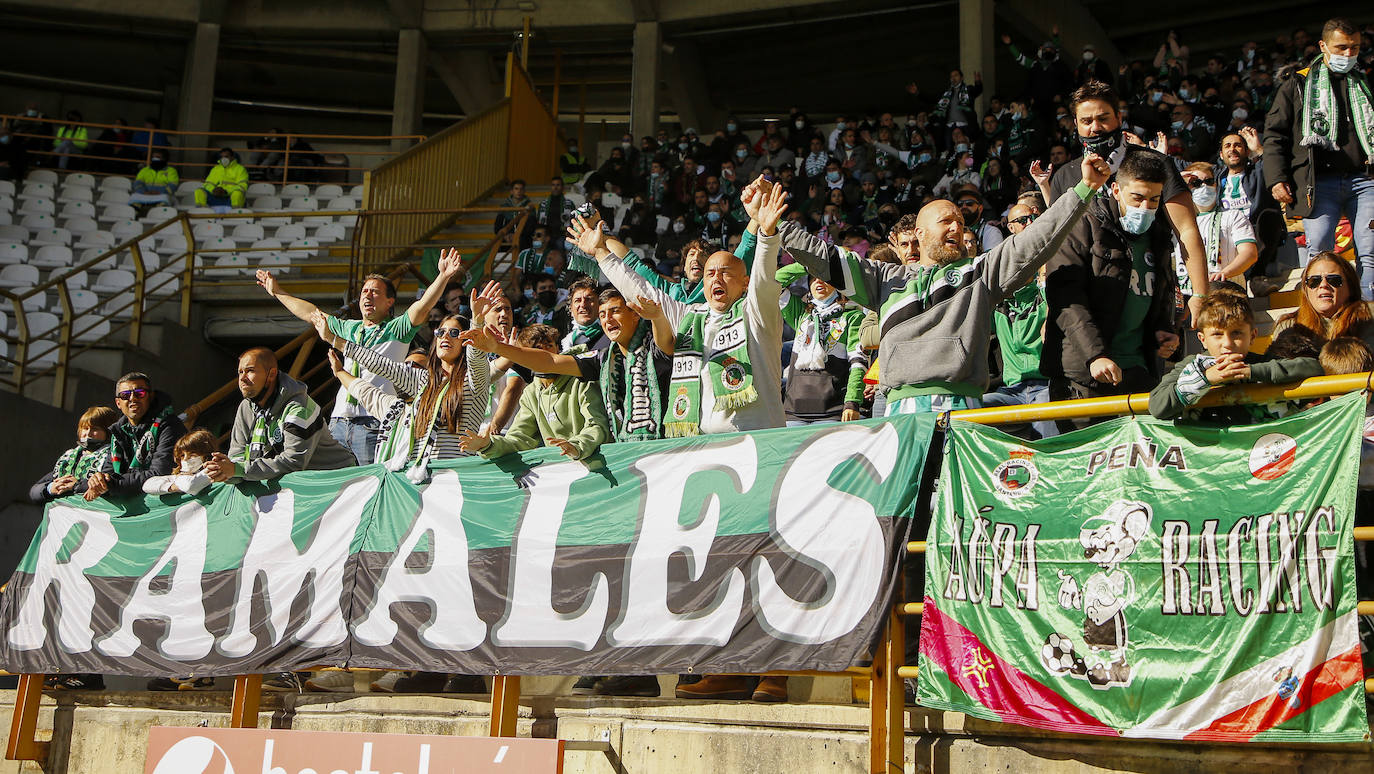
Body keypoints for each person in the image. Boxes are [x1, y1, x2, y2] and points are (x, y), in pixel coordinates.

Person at [578, 181, 793, 703]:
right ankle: (725, 667)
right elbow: (641, 298)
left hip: (760, 453)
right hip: (707, 461)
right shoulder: (691, 319)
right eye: (711, 272)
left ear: (741, 282)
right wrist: (602, 256)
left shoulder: (757, 316)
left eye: (727, 272)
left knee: (763, 562)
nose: (717, 278)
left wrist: (764, 236)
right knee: (716, 565)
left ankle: (773, 673)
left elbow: (764, 277)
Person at [779, 152, 1111, 416]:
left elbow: (1037, 239)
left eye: (961, 221)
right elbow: (825, 257)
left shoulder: (981, 272)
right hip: (897, 409)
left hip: (960, 407)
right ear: (919, 234)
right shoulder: (882, 278)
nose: (955, 226)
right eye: (946, 220)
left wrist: (1083, 189)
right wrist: (776, 225)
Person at [257, 251, 462, 465]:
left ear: (390, 302)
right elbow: (312, 313)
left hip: (374, 421)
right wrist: (278, 292)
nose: (367, 295)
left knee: (371, 486)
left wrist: (443, 276)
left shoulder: (397, 329)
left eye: (375, 292)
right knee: (340, 491)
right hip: (339, 421)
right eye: (365, 291)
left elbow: (423, 306)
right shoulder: (348, 327)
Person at [1042, 151, 1182, 430]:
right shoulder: (1082, 226)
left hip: (1140, 372)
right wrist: (1095, 355)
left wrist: (1164, 332)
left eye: (1154, 199)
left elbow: (1160, 294)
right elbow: (1067, 299)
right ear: (1116, 190)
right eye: (1138, 198)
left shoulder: (1159, 235)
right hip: (1083, 376)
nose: (1146, 207)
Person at [1047, 81, 1211, 318]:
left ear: (1119, 117)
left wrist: (1200, 295)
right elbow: (1054, 244)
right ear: (1075, 124)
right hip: (1090, 300)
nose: (1095, 127)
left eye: (1103, 118)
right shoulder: (1065, 175)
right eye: (1086, 121)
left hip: (1151, 293)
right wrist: (1051, 307)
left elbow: (1186, 229)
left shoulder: (1156, 162)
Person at [1263, 18, 1374, 298]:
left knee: (1370, 249)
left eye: (1355, 47)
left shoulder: (1366, 82)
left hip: (1365, 180)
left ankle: (1368, 313)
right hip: (1317, 183)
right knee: (1319, 251)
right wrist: (1277, 178)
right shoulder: (1298, 84)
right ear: (1323, 45)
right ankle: (1320, 314)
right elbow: (1275, 134)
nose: (1348, 54)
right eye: (1341, 47)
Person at [1148, 292, 1322, 423]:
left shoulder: (1262, 363)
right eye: (1217, 334)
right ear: (1203, 340)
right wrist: (1205, 379)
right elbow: (1157, 405)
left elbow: (1313, 368)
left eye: (1236, 333)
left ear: (1253, 336)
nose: (1228, 343)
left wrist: (1251, 372)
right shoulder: (1192, 366)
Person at [457, 324, 609, 463]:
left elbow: (597, 425)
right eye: (536, 348)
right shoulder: (531, 392)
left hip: (596, 467)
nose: (543, 353)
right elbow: (519, 438)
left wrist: (576, 447)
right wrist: (488, 445)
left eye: (549, 346)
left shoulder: (582, 380)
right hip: (561, 474)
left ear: (558, 348)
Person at [204, 347, 356, 485]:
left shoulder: (300, 408)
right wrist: (224, 471)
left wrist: (237, 470)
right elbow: (238, 457)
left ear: (271, 374)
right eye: (240, 372)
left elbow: (293, 462)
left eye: (250, 370)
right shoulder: (245, 407)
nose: (242, 378)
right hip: (300, 487)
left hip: (337, 482)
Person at [775, 262, 866, 425]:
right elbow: (775, 281)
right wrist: (810, 262)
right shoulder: (801, 314)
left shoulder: (852, 317)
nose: (819, 281)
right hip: (793, 412)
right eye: (814, 278)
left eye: (826, 278)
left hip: (833, 412)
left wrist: (852, 401)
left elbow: (858, 364)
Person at [982, 263, 1057, 441]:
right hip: (1010, 391)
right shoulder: (997, 308)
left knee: (1045, 415)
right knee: (970, 412)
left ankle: (1049, 466)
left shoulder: (1044, 297)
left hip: (1045, 386)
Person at [85, 373, 188, 500]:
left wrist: (112, 484)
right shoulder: (118, 432)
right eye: (125, 395)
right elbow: (108, 474)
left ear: (150, 397)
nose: (133, 398)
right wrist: (96, 481)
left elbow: (160, 474)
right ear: (118, 403)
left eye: (139, 393)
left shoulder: (170, 425)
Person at [1215, 127, 1285, 296]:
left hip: (1254, 229)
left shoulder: (1257, 172)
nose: (1232, 149)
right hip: (1225, 233)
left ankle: (1256, 278)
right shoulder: (1215, 177)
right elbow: (1189, 168)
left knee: (1269, 216)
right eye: (1228, 146)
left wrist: (1259, 150)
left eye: (1238, 145)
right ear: (1221, 154)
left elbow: (1274, 168)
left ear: (1246, 151)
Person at [1173, 162, 1258, 295]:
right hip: (1187, 294)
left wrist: (1224, 273)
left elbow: (1249, 254)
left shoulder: (1233, 215)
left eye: (1209, 181)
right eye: (1195, 183)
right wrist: (1176, 181)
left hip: (1224, 292)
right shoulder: (1176, 223)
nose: (1203, 186)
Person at [1271, 251, 1374, 349]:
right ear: (1305, 289)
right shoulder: (1289, 327)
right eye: (1314, 281)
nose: (1323, 285)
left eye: (1334, 280)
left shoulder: (1368, 318)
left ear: (1350, 286)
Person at [29, 406, 120, 505]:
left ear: (108, 432)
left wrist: (77, 485)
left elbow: (111, 484)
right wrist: (50, 488)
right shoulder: (69, 458)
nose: (88, 433)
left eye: (95, 429)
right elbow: (34, 491)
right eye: (85, 428)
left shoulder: (112, 456)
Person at [141, 429, 217, 496]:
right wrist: (173, 486)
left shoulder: (213, 471)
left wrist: (182, 482)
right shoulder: (179, 477)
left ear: (206, 455)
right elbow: (147, 485)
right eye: (182, 455)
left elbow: (190, 486)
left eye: (192, 454)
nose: (186, 458)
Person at [561, 277, 610, 352]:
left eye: (588, 299)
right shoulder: (566, 342)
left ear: (600, 305)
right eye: (578, 300)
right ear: (570, 308)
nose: (583, 305)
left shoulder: (610, 335)